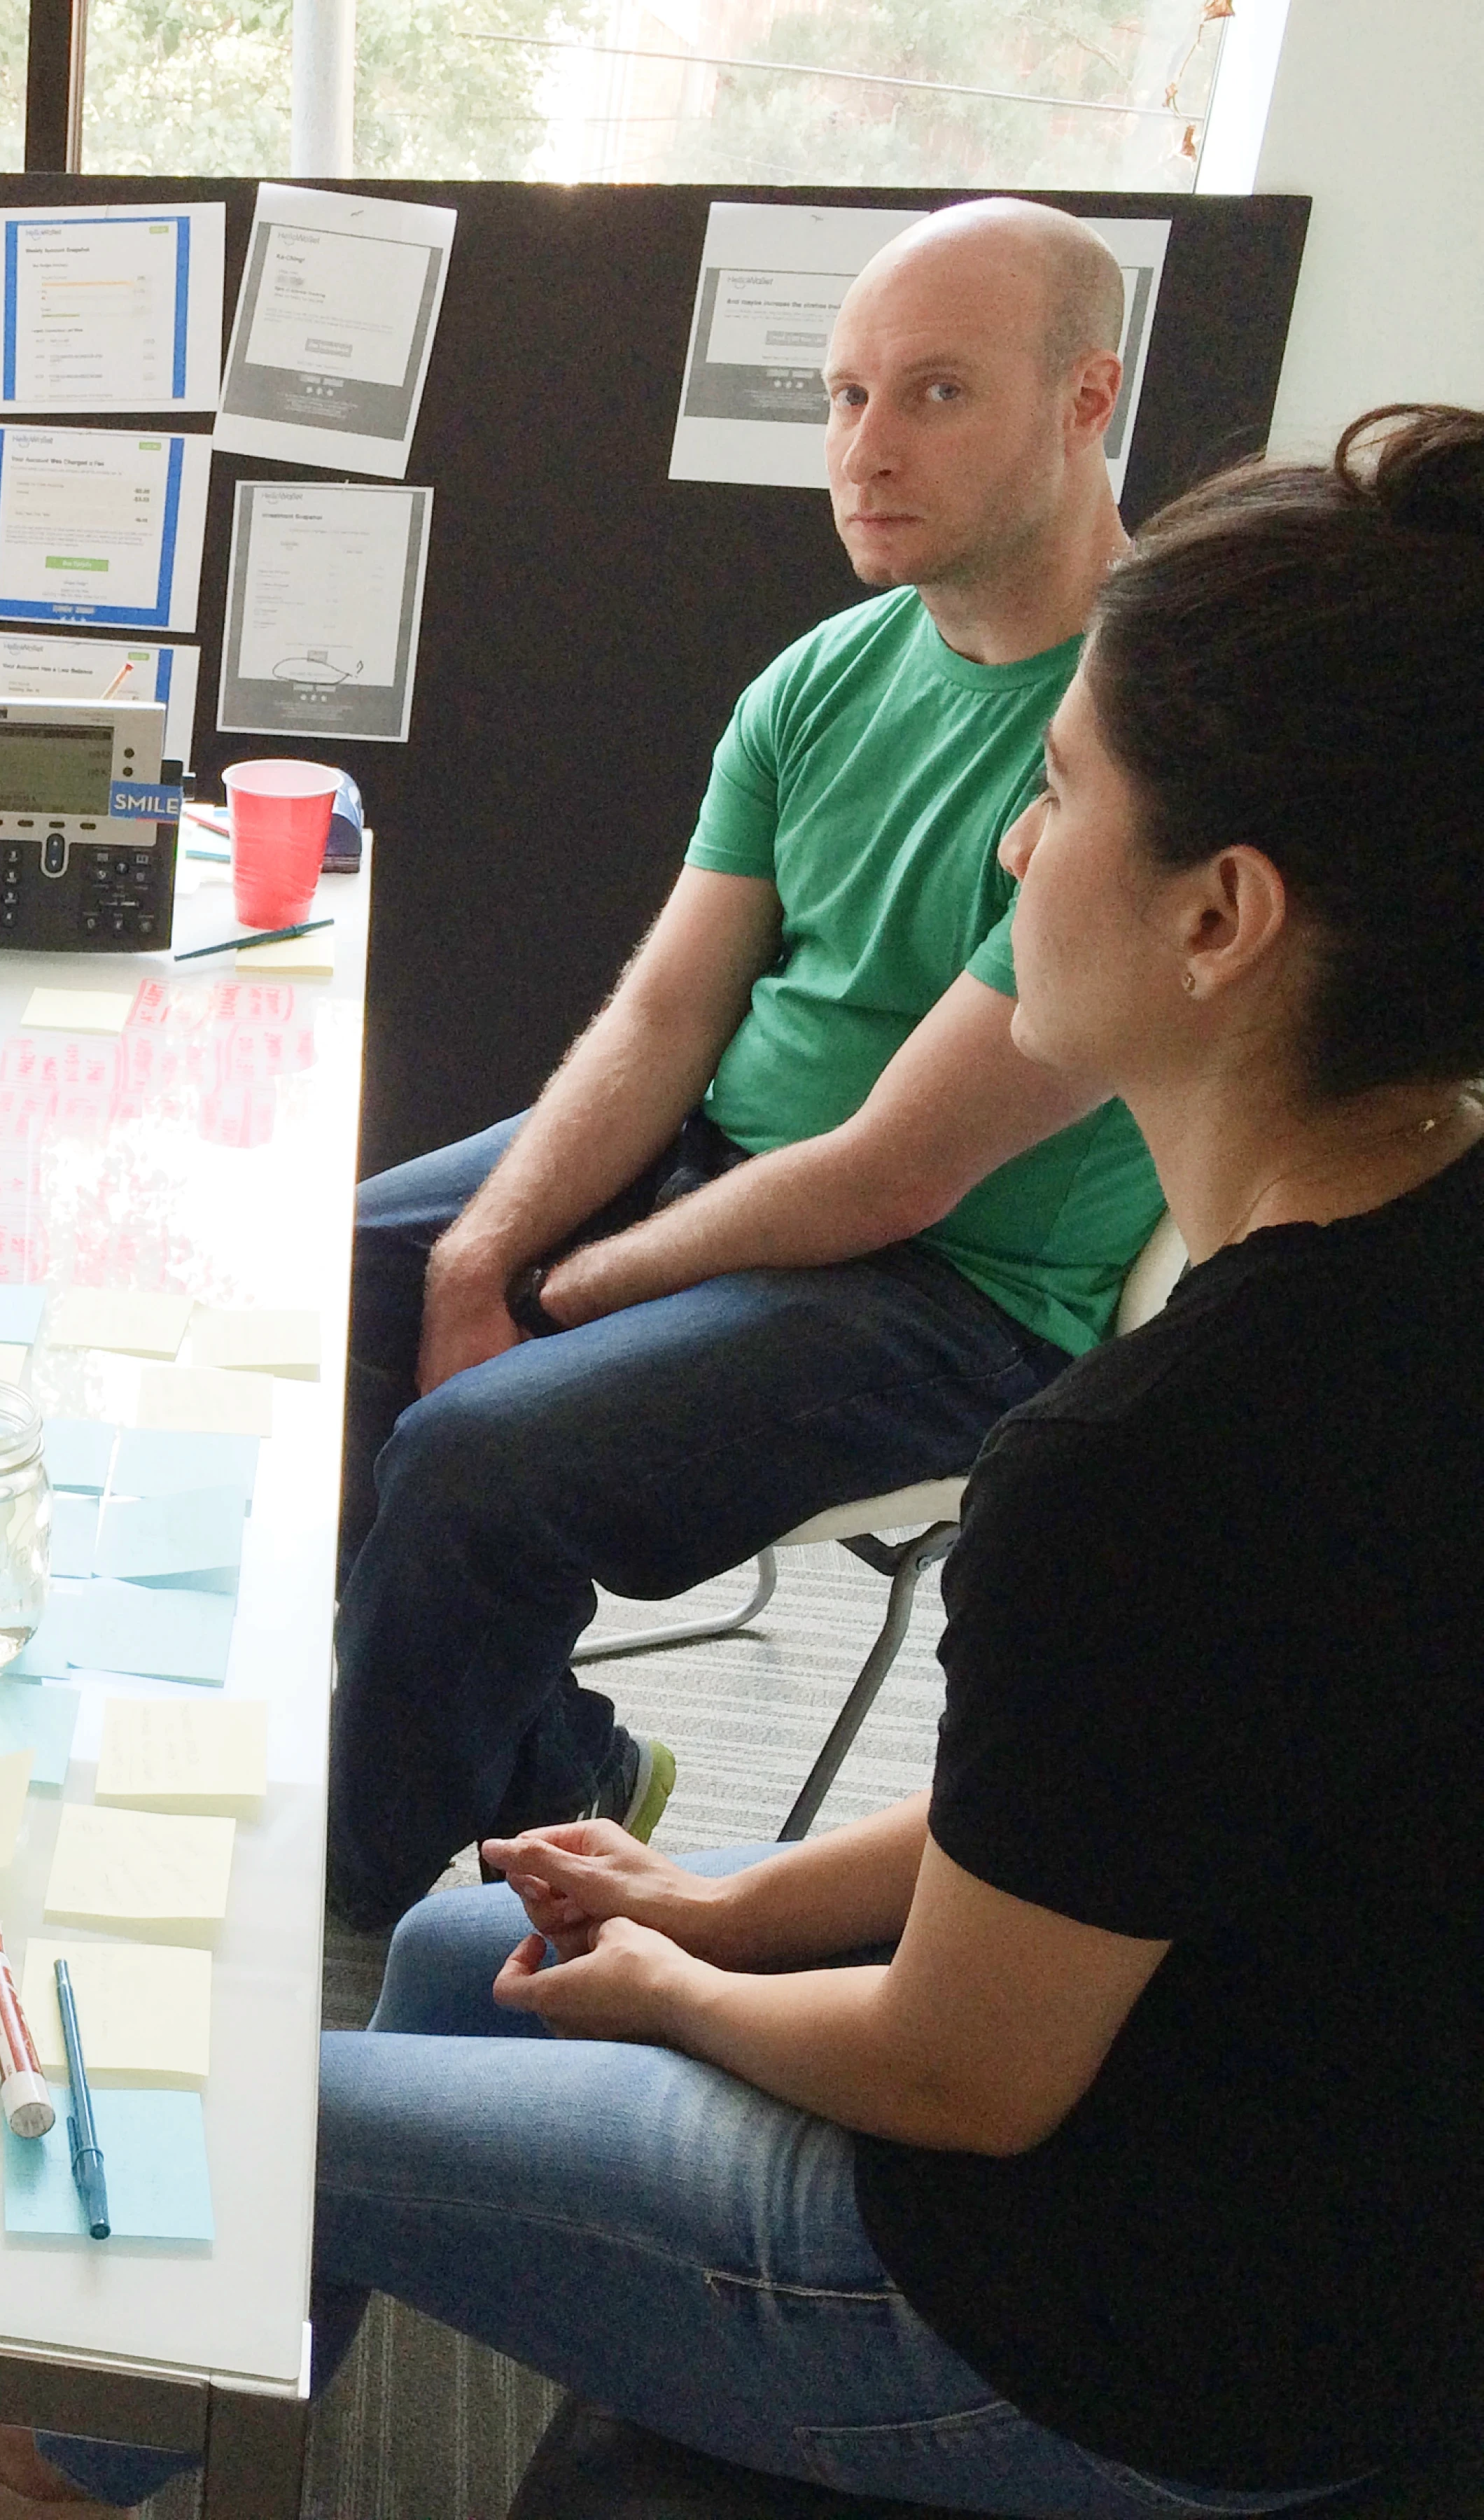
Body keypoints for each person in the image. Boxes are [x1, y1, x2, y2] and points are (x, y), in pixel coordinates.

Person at [0, 402, 1484, 2518]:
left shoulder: (1162, 1463)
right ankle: (171, 2412)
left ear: (1223, 916)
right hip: (1261, 2130)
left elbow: (962, 2074)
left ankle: (66, 2452)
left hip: (1120, 2340)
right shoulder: (1396, 1282)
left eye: (1058, 801)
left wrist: (690, 1979)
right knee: (447, 1957)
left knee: (261, 2121)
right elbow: (1105, 1806)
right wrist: (713, 1901)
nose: (1010, 854)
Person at [329, 197, 1167, 1931]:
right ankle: (554, 1772)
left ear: (1090, 398)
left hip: (957, 1284)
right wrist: (488, 1249)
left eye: (934, 393)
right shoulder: (824, 675)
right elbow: (666, 1016)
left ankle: (354, 1914)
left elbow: (897, 1173)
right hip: (738, 1157)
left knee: (477, 1455)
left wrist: (557, 1292)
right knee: (335, 1284)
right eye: (845, 398)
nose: (865, 450)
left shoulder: (1149, 733)